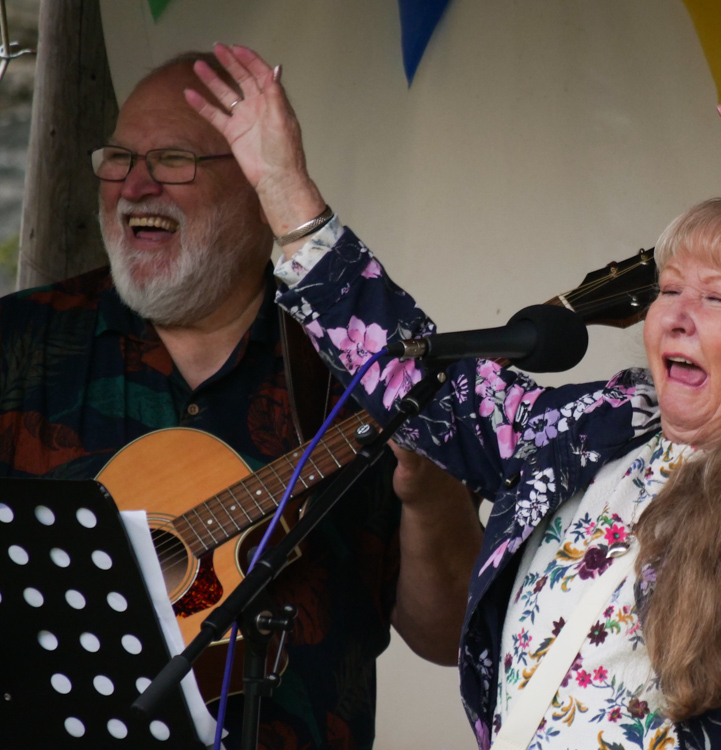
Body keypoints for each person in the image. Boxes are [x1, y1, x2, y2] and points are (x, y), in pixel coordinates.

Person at [188, 38, 721, 750]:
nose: (673, 313)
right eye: (669, 289)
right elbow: (416, 380)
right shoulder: (592, 425)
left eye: (717, 299)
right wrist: (286, 193)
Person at [0, 52, 482, 749]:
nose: (134, 185)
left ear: (258, 184)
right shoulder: (20, 345)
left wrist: (430, 490)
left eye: (171, 159)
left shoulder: (359, 362)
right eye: (119, 157)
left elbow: (446, 637)